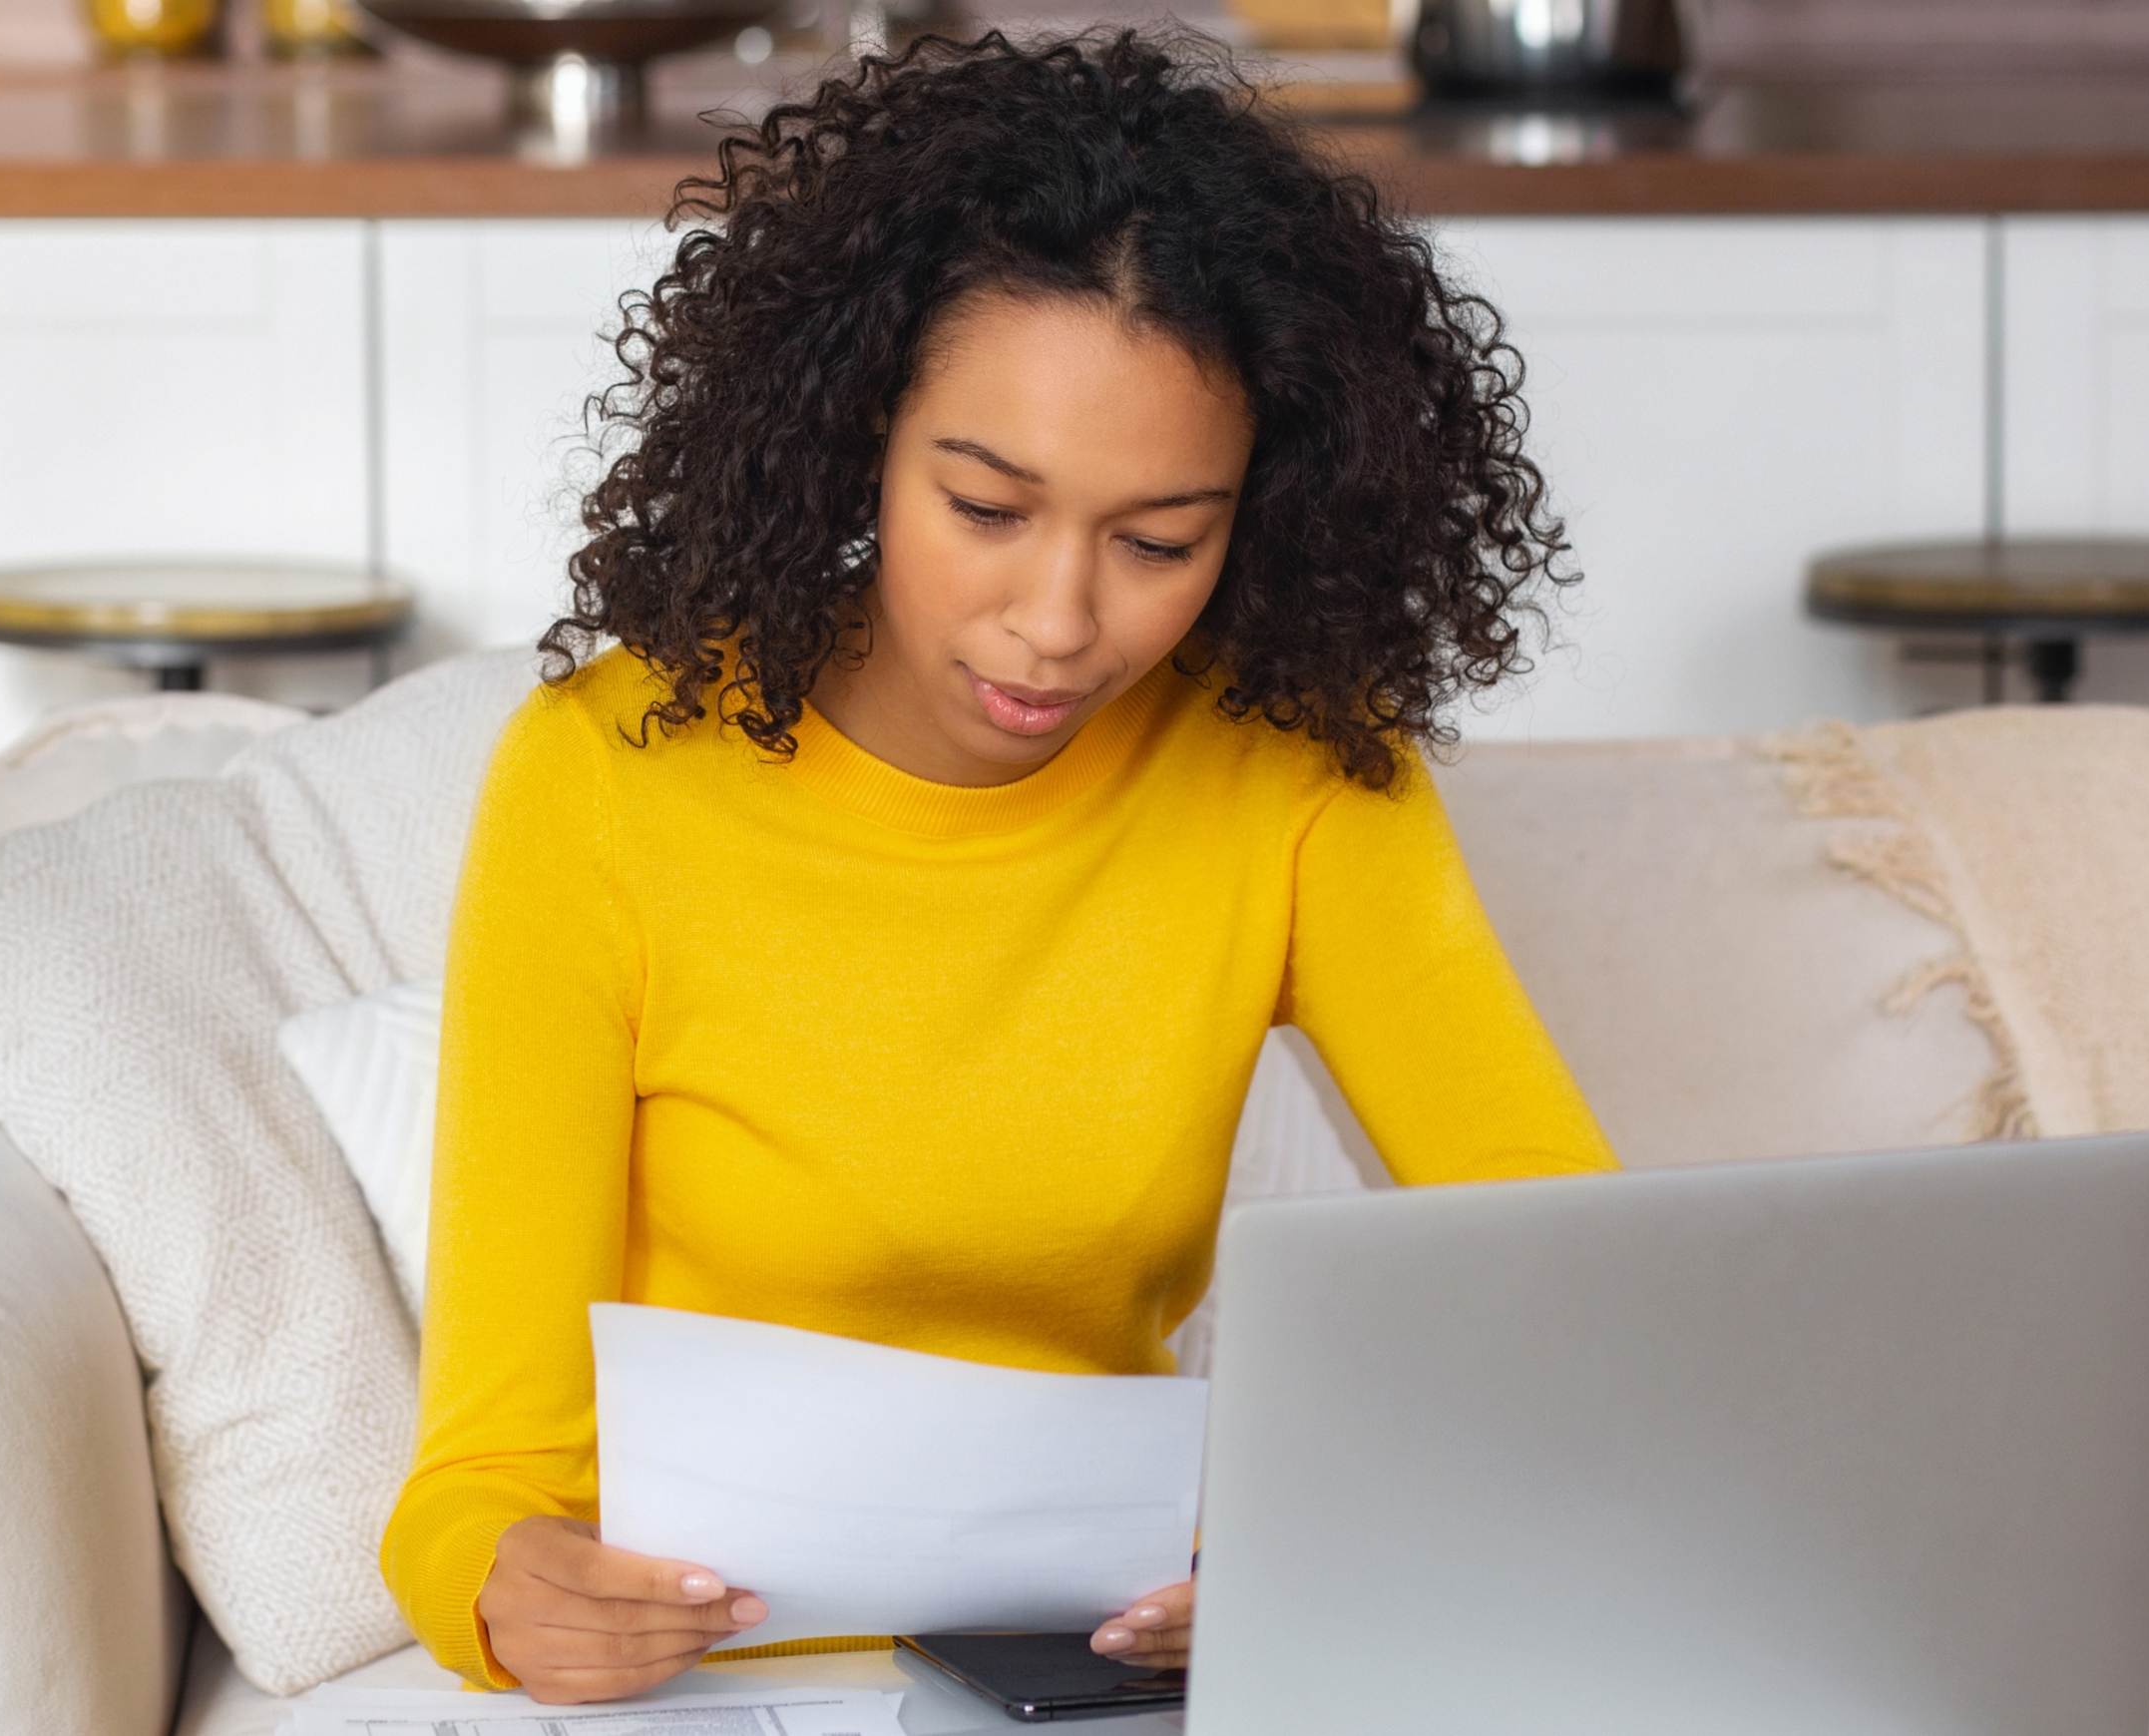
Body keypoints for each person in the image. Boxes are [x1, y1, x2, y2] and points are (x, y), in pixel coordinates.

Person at [381, 28, 1616, 1704]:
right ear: (856, 437)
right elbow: (476, 1482)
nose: (1057, 622)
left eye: (1159, 542)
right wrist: (501, 1591)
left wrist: (1303, 1541)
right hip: (710, 1684)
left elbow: (1581, 1289)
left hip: (1095, 1683)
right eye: (985, 509)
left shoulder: (1300, 774)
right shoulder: (609, 772)